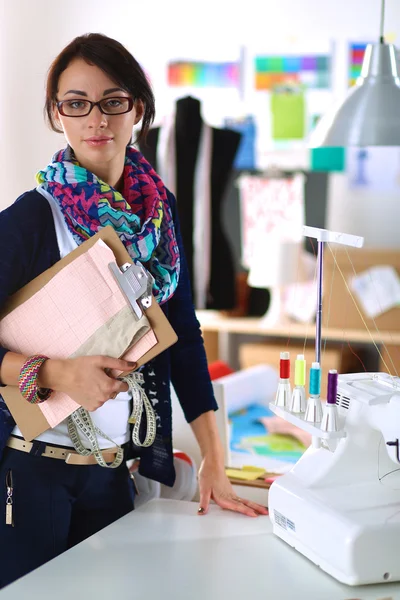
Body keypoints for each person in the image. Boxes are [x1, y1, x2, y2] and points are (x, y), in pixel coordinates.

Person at [0, 33, 268, 589]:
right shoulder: (33, 218)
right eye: (76, 103)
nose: (95, 118)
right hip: (30, 475)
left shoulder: (160, 211)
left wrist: (215, 460)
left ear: (138, 109)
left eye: (112, 100)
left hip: (114, 472)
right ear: (58, 115)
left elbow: (185, 336)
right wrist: (56, 373)